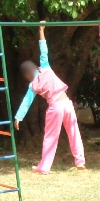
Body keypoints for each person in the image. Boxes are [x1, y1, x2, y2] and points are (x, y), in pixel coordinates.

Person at [14, 21, 85, 174]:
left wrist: (18, 117)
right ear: (36, 67)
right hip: (67, 103)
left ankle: (44, 167)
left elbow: (26, 102)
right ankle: (80, 161)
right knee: (74, 132)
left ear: (27, 75)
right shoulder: (45, 67)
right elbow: (43, 49)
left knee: (51, 137)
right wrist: (41, 30)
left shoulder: (33, 85)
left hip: (56, 107)